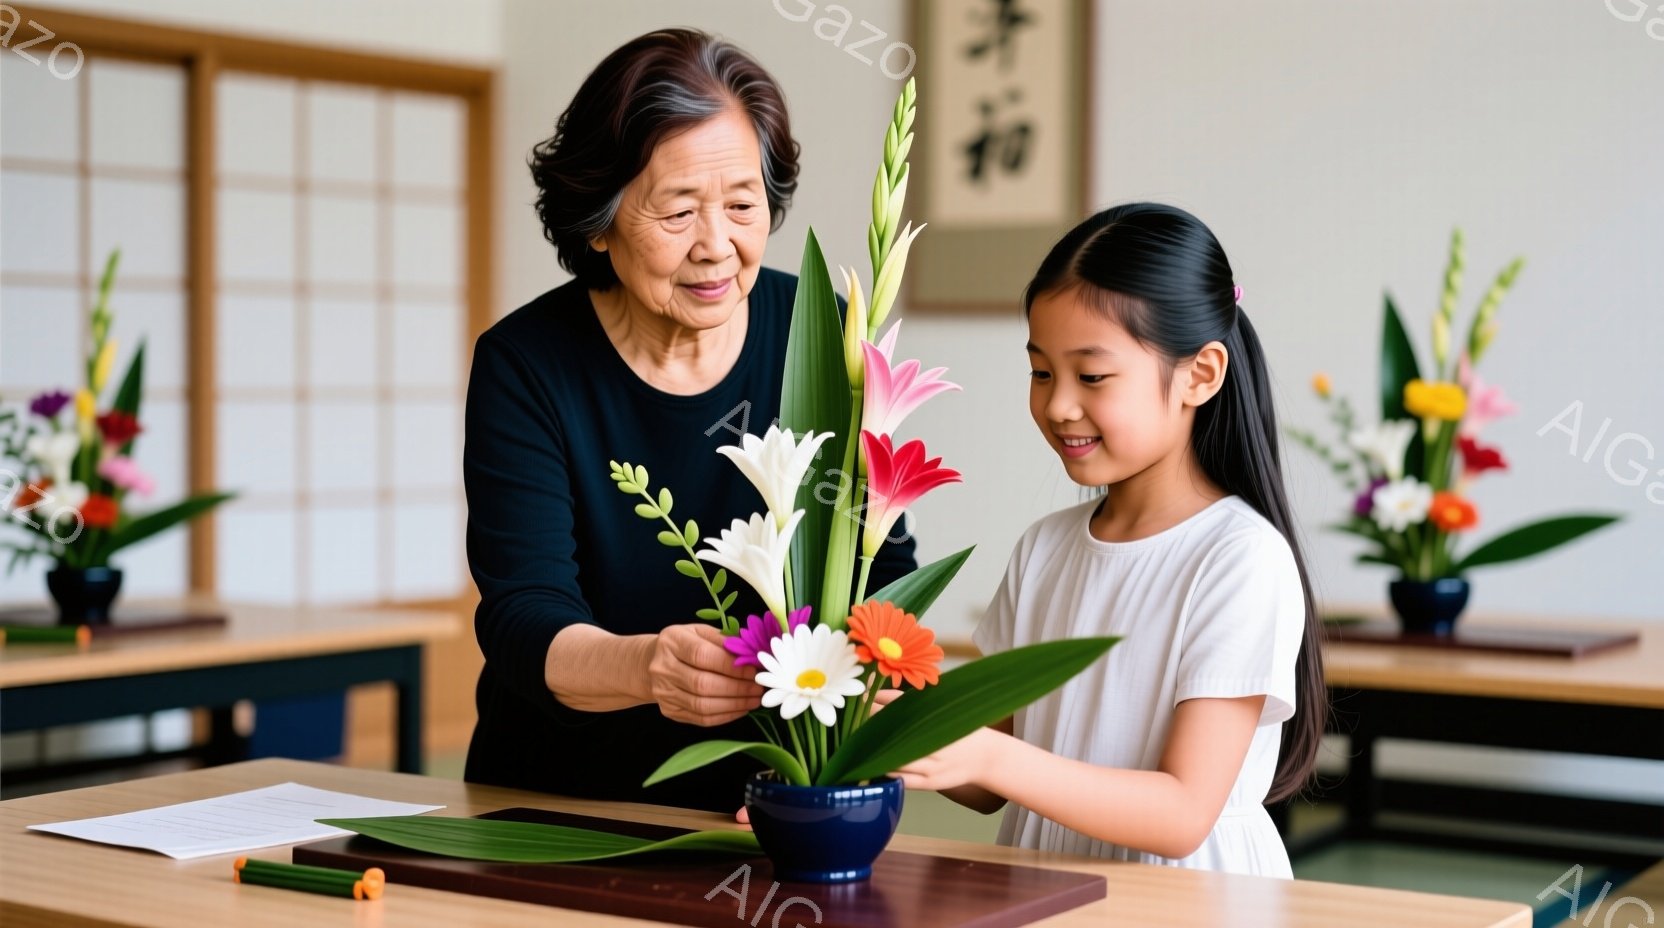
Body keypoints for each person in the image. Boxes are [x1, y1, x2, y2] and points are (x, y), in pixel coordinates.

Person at [463, 28, 917, 815]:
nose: (717, 246)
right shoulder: (528, 362)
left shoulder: (822, 333)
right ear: (598, 224)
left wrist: (829, 770)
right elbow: (522, 615)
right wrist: (647, 668)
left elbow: (880, 571)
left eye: (743, 205)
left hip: (771, 802)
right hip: (557, 801)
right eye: (678, 210)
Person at [875, 203, 1323, 878]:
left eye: (1091, 376)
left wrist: (993, 757)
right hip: (1048, 888)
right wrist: (892, 726)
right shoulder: (1043, 550)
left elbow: (1180, 814)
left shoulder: (1239, 557)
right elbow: (989, 778)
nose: (1058, 405)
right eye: (1041, 371)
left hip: (1190, 902)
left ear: (1200, 375)